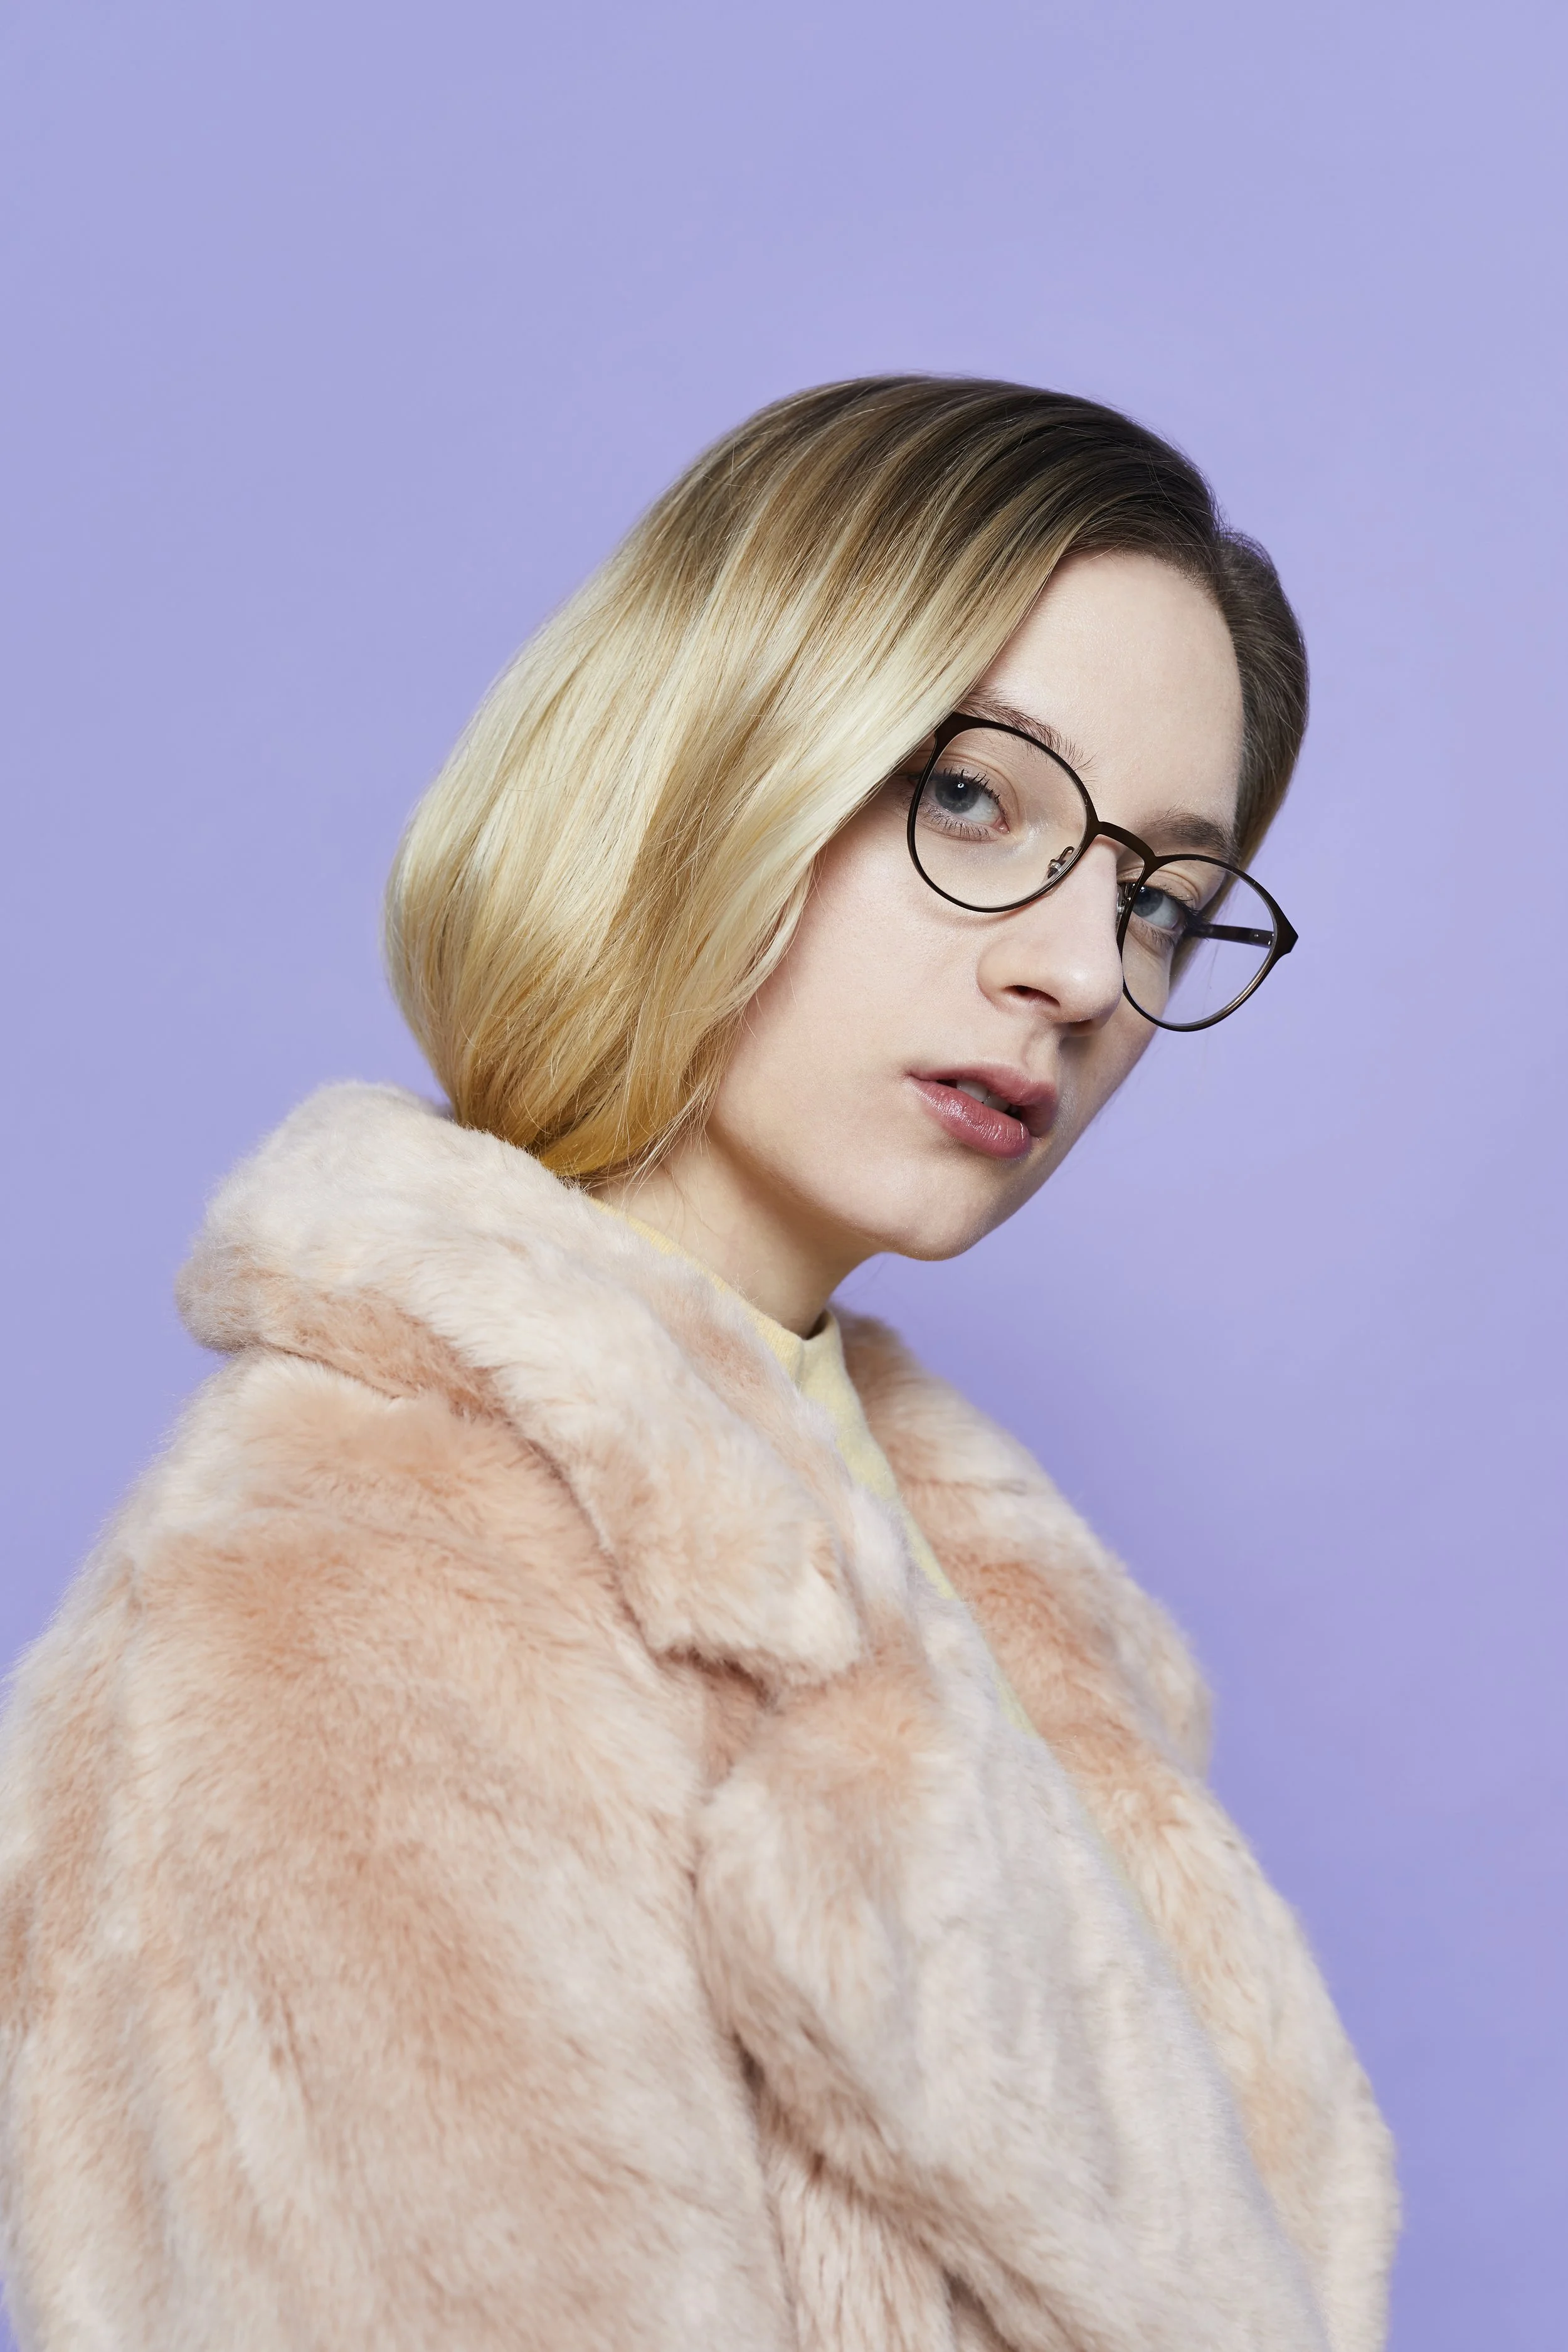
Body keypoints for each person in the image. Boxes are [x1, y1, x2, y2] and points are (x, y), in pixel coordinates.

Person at [0, 378, 1397, 2351]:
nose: (1083, 972)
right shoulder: (362, 1585)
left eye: (1159, 896)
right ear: (715, 758)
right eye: (973, 795)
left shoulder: (967, 1594)